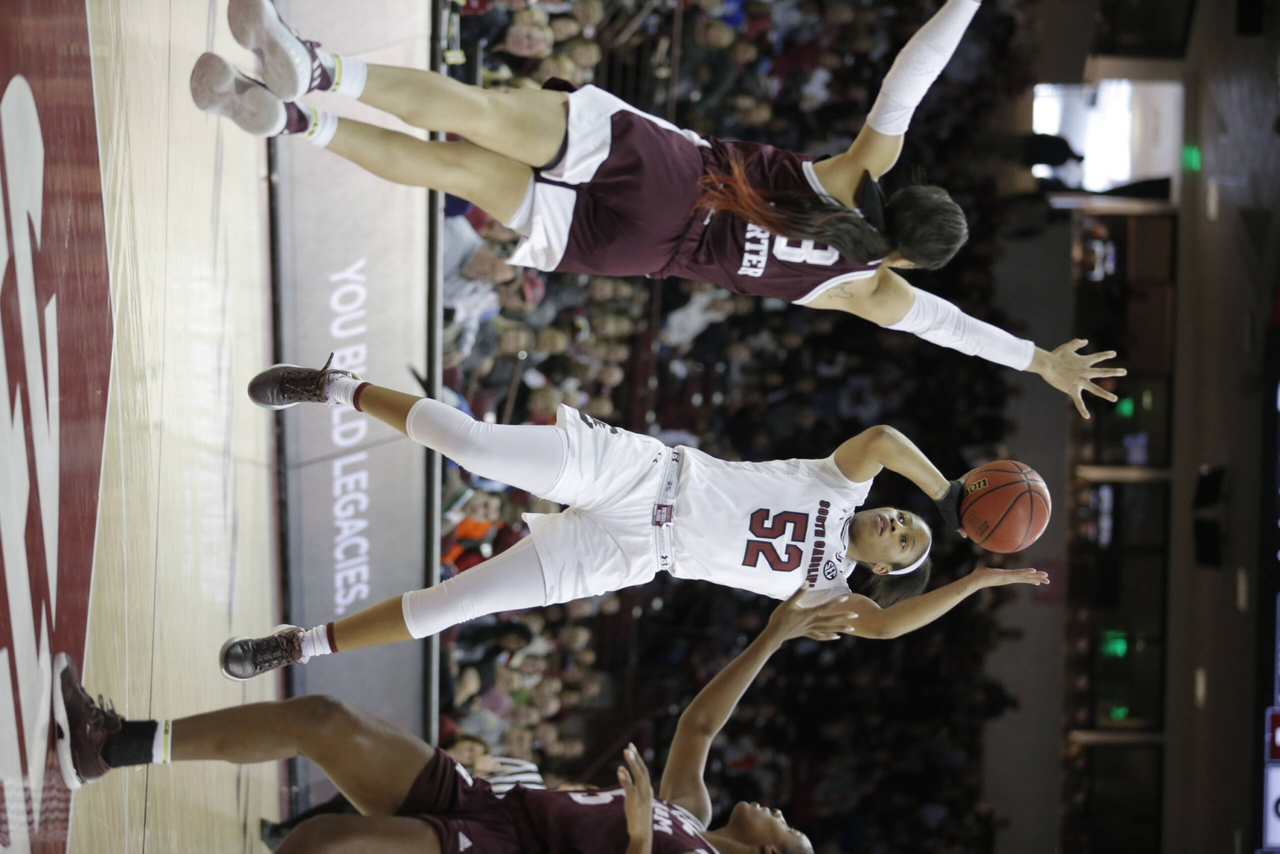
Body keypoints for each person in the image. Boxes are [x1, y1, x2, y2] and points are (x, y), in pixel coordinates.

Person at [191, 0, 1123, 418]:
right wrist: (1036, 360)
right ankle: (294, 122)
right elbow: (949, 329)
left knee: (477, 115)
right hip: (638, 250)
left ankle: (315, 69)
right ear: (909, 259)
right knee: (455, 173)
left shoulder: (857, 174)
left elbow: (911, 77)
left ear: (907, 193)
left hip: (676, 176)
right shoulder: (873, 290)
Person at [216, 361, 1047, 681]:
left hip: (633, 551)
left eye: (906, 539)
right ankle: (336, 386)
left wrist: (976, 581)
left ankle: (301, 645)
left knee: (454, 606)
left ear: (881, 569)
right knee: (472, 445)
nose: (899, 523)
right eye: (904, 517)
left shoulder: (831, 591)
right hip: (642, 471)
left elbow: (891, 626)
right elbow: (886, 440)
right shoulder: (841, 482)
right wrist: (946, 492)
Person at [55, 593, 863, 853]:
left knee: (321, 845)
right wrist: (774, 634)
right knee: (322, 718)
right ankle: (114, 746)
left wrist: (638, 841)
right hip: (492, 801)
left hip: (509, 851)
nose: (783, 815)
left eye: (791, 831)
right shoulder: (695, 811)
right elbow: (700, 727)